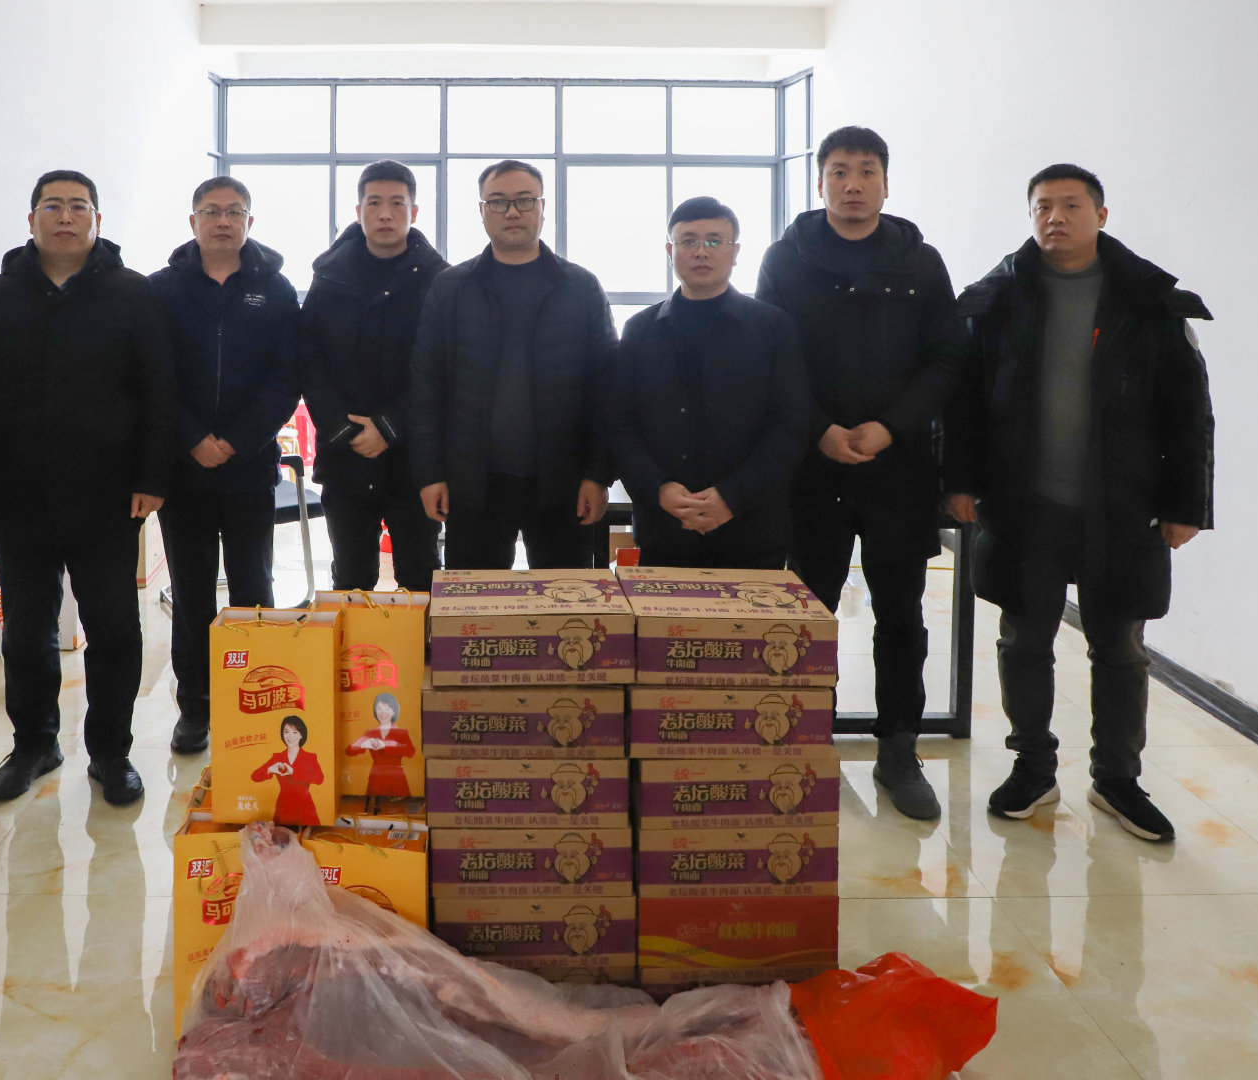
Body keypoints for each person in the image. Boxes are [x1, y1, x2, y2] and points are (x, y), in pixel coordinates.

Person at [944, 164, 1214, 842]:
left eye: (1070, 205)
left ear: (1101, 214)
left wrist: (1187, 504)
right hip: (1024, 503)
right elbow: (964, 404)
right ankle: (1033, 767)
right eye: (1042, 206)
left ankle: (1117, 779)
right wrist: (959, 481)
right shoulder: (997, 299)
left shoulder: (1149, 302)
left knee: (1119, 646)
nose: (1055, 217)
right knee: (1023, 640)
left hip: (1122, 508)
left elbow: (1188, 413)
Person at [0, 169, 172, 806]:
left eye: (78, 206)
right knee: (25, 632)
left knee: (114, 630)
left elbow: (158, 391)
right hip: (17, 494)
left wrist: (152, 476)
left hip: (107, 496)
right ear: (32, 219)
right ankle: (34, 744)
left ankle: (112, 752)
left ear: (97, 219)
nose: (65, 217)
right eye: (52, 206)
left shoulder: (133, 293)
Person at [756, 126, 967, 822]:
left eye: (867, 170)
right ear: (819, 182)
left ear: (885, 182)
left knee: (901, 614)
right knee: (808, 615)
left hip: (897, 468)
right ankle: (804, 740)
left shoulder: (921, 262)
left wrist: (891, 426)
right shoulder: (785, 259)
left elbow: (945, 359)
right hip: (811, 469)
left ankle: (898, 750)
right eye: (840, 170)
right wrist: (819, 429)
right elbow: (773, 355)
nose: (853, 183)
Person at [149, 176, 299, 756]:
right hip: (183, 468)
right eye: (211, 211)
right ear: (193, 222)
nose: (222, 221)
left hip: (248, 466)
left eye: (234, 212)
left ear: (249, 223)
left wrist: (235, 441)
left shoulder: (276, 290)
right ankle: (197, 706)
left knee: (253, 588)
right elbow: (154, 374)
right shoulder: (161, 289)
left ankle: (257, 700)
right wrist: (193, 438)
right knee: (191, 593)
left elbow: (285, 378)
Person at [410, 159, 616, 570]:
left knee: (567, 600)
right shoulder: (451, 288)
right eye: (498, 202)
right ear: (482, 210)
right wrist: (430, 474)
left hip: (562, 481)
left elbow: (607, 390)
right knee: (476, 601)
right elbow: (426, 387)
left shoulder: (581, 287)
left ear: (543, 207)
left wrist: (599, 475)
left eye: (524, 200)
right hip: (474, 483)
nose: (512, 212)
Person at [611, 196, 809, 569]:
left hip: (753, 528)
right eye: (688, 241)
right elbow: (620, 425)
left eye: (715, 241)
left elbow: (790, 426)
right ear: (670, 251)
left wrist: (732, 497)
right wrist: (660, 489)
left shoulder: (773, 328)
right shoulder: (639, 331)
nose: (701, 251)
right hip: (664, 529)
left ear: (735, 252)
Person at [299, 160, 448, 592]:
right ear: (359, 210)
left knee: (421, 577)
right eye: (374, 203)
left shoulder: (440, 280)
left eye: (397, 204)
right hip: (344, 457)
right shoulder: (329, 275)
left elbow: (443, 367)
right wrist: (346, 430)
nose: (385, 214)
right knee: (351, 578)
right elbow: (309, 359)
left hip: (414, 459)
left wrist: (388, 427)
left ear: (414, 212)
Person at [252, 715, 325, 825]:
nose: (290, 736)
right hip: (284, 805)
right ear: (282, 734)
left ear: (301, 735)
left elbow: (319, 779)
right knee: (282, 835)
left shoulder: (310, 757)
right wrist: (269, 769)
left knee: (307, 834)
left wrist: (294, 772)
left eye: (295, 732)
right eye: (286, 732)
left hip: (304, 805)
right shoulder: (277, 757)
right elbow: (255, 776)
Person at [344, 691, 416, 797]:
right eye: (379, 708)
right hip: (377, 778)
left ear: (394, 711)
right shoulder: (370, 733)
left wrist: (385, 746)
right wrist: (363, 745)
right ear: (375, 711)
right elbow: (349, 750)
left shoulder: (402, 733)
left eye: (387, 709)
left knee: (398, 806)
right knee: (376, 806)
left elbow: (411, 752)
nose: (383, 713)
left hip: (397, 777)